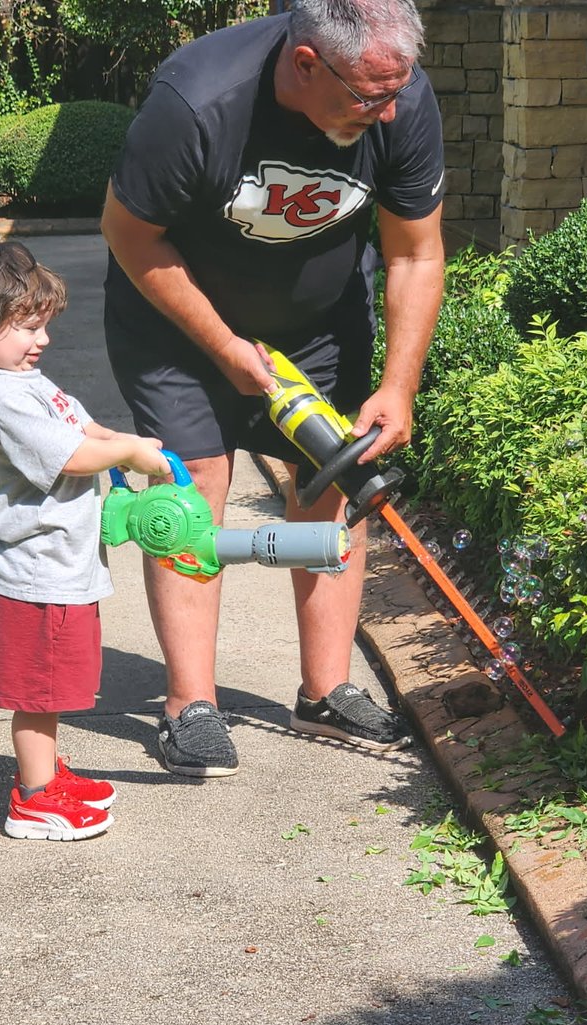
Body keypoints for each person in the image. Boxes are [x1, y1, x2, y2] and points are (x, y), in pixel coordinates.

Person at [101, 0, 445, 778]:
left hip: (319, 323)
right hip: (180, 326)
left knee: (332, 483)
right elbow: (128, 233)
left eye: (396, 91)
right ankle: (191, 705)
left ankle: (324, 692)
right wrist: (222, 346)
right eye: (367, 97)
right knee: (194, 494)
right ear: (305, 64)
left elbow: (416, 254)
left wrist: (399, 386)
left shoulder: (399, 96)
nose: (388, 111)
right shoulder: (198, 99)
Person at [0, 240, 171, 839]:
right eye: (28, 328)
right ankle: (35, 802)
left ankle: (46, 776)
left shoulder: (25, 380)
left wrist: (124, 440)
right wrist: (125, 452)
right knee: (39, 695)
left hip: (60, 569)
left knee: (54, 688)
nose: (41, 340)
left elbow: (81, 425)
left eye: (43, 326)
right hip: (36, 578)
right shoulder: (1, 398)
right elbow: (72, 455)